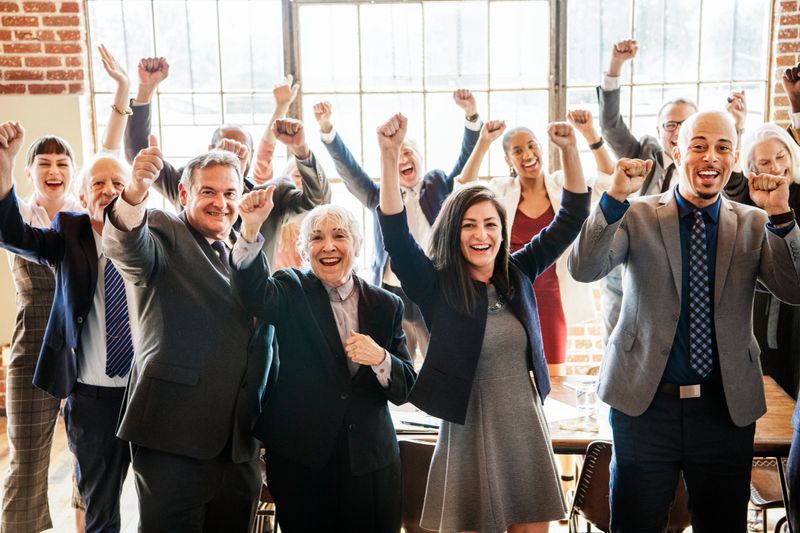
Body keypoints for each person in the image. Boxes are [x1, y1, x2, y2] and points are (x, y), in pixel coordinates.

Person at [568, 110, 800, 532]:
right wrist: (613, 198)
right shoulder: (635, 215)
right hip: (644, 407)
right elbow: (584, 268)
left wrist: (782, 215)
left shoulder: (755, 222)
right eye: (699, 146)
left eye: (722, 148)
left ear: (734, 159)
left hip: (723, 411)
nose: (711, 157)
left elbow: (795, 289)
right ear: (677, 152)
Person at [377, 113, 591, 532]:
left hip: (524, 430)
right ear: (454, 233)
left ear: (503, 232)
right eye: (469, 225)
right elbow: (396, 237)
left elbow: (572, 216)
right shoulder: (436, 286)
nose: (482, 235)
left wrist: (569, 150)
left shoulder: (519, 272)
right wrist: (388, 155)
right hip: (466, 433)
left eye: (491, 224)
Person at [103, 145, 272, 530]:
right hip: (174, 439)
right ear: (183, 193)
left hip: (239, 447)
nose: (221, 203)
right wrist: (135, 192)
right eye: (208, 192)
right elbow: (128, 250)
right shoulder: (166, 230)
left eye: (230, 193)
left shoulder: (245, 248)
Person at [229, 198, 416, 532]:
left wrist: (381, 358)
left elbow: (406, 388)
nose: (328, 246)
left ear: (357, 244)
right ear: (305, 249)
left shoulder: (387, 305)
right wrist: (252, 228)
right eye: (316, 238)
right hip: (302, 464)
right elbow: (253, 293)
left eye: (339, 235)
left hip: (370, 464)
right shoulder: (290, 289)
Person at [596, 38, 749, 342]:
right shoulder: (643, 154)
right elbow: (610, 125)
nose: (677, 130)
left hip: (685, 275)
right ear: (659, 130)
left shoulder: (711, 169)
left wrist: (737, 127)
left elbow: (734, 186)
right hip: (630, 271)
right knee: (619, 344)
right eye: (670, 125)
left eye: (685, 123)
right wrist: (614, 67)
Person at [314, 91, 482, 362]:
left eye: (408, 152)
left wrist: (471, 115)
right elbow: (349, 170)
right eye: (398, 153)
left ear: (420, 158)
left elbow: (466, 161)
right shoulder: (378, 196)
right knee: (397, 361)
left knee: (439, 359)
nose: (403, 158)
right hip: (393, 290)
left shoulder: (439, 186)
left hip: (433, 287)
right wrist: (327, 129)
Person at [124, 59, 330, 265]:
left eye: (240, 150)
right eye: (225, 150)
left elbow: (318, 200)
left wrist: (301, 150)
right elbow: (139, 155)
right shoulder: (187, 183)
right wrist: (145, 91)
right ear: (210, 151)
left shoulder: (270, 197)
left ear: (251, 155)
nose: (231, 158)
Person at [457, 109, 610, 376]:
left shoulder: (562, 182)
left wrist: (589, 134)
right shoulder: (501, 189)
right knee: (507, 374)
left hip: (553, 297)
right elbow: (462, 191)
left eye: (531, 145)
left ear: (541, 148)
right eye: (517, 151)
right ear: (508, 159)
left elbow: (607, 182)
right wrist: (483, 142)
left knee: (553, 376)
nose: (527, 154)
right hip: (508, 294)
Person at [740, 120, 800, 532]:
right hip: (762, 317)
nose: (776, 167)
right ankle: (758, 491)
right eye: (765, 162)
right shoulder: (745, 209)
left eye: (781, 157)